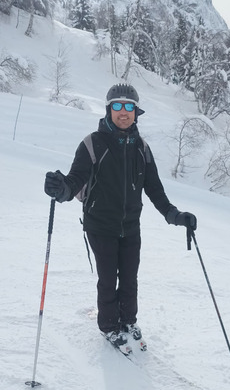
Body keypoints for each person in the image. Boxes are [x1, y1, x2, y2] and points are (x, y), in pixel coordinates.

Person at [44, 83, 197, 354]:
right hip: (99, 225)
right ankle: (109, 326)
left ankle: (128, 321)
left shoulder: (142, 148)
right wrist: (61, 189)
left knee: (129, 278)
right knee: (108, 278)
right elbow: (75, 179)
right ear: (109, 109)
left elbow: (155, 190)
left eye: (129, 107)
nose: (123, 112)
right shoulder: (93, 143)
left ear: (136, 112)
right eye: (117, 106)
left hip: (130, 227)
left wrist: (175, 216)